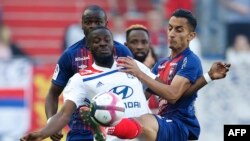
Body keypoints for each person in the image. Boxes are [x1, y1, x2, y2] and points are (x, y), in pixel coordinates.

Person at [20, 26, 230, 141]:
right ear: (89, 48)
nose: (102, 43)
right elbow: (64, 114)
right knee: (143, 122)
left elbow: (170, 93)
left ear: (114, 45)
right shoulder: (80, 79)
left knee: (146, 121)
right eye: (97, 41)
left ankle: (108, 128)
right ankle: (108, 129)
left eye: (107, 40)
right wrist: (43, 132)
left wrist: (207, 78)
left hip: (148, 134)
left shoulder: (131, 65)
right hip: (121, 138)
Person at [101, 9, 230, 141]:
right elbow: (141, 97)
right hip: (163, 123)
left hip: (181, 125)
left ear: (191, 36)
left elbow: (173, 95)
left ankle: (105, 130)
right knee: (134, 122)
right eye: (170, 28)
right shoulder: (161, 64)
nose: (172, 34)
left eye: (178, 30)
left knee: (144, 121)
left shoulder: (190, 60)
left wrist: (139, 73)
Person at [45, 5, 133, 141]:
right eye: (88, 22)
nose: (93, 26)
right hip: (81, 131)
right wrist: (51, 123)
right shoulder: (70, 55)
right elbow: (53, 94)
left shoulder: (122, 52)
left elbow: (134, 89)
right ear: (82, 24)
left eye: (98, 22)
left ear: (106, 24)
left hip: (115, 130)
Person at [125, 24, 159, 113]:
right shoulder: (119, 74)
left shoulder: (160, 76)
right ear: (126, 45)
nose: (139, 47)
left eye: (144, 42)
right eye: (134, 42)